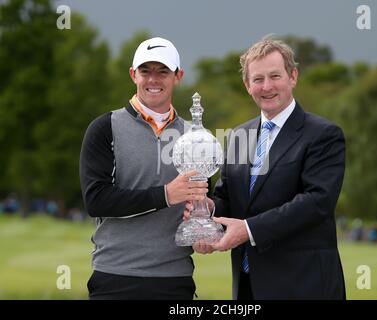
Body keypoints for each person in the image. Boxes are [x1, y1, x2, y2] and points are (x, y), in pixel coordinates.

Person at [190, 38, 346, 299]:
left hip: (305, 286)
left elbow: (317, 202)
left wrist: (248, 230)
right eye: (258, 79)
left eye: (275, 76)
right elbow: (227, 197)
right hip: (249, 287)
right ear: (247, 85)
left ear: (292, 76)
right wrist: (207, 213)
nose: (267, 87)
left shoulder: (323, 135)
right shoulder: (238, 135)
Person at [79, 37, 209, 300]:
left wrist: (207, 213)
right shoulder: (105, 127)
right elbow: (96, 200)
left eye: (162, 71)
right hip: (116, 278)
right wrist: (165, 195)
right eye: (145, 71)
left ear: (178, 76)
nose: (153, 79)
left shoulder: (194, 136)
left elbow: (206, 197)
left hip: (176, 279)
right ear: (132, 74)